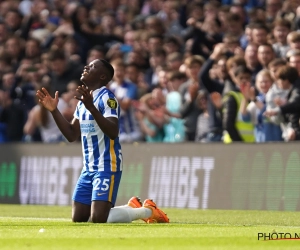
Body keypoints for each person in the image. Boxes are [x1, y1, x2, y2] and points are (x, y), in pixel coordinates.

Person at [36, 59, 169, 223]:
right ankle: (132, 207)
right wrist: (54, 111)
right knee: (79, 218)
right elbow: (71, 135)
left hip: (107, 165)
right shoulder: (84, 102)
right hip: (88, 167)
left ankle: (147, 211)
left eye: (92, 67)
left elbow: (113, 131)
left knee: (99, 218)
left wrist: (92, 107)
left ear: (102, 76)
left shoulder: (108, 99)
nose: (86, 67)